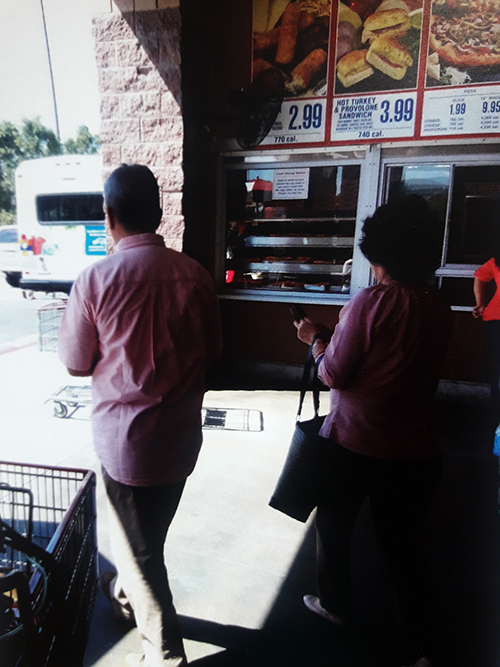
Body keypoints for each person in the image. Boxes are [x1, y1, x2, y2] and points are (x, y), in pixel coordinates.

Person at [58, 164, 223, 667]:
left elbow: (74, 361)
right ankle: (126, 596)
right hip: (178, 442)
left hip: (124, 447)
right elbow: (213, 353)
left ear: (108, 217)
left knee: (142, 553)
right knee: (146, 543)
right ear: (158, 214)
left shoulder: (94, 281)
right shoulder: (194, 275)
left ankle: (166, 655)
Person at [294, 195, 451, 667]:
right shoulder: (438, 305)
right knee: (404, 549)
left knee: (335, 528)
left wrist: (316, 339)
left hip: (354, 445)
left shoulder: (371, 302)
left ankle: (336, 606)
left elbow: (334, 373)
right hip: (416, 449)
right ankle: (421, 646)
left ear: (376, 250)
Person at [473, 253, 500, 418]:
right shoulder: (496, 262)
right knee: (497, 367)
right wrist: (480, 302)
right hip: (496, 321)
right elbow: (480, 276)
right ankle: (496, 411)